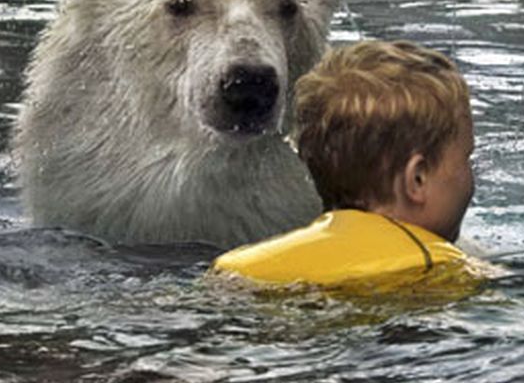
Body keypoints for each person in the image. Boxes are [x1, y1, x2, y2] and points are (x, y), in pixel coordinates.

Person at [208, 40, 489, 293]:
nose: (470, 176)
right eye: (467, 159)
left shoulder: (239, 266)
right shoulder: (443, 266)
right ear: (417, 178)